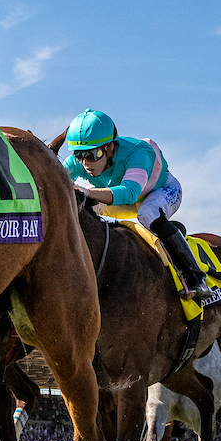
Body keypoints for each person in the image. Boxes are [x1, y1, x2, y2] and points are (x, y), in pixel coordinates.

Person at [63, 109, 212, 302]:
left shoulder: (138, 152)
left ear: (110, 147)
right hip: (125, 200)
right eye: (78, 155)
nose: (85, 163)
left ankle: (196, 277)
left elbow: (130, 192)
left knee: (147, 214)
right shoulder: (78, 162)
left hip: (161, 192)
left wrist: (86, 191)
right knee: (83, 206)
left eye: (92, 154)